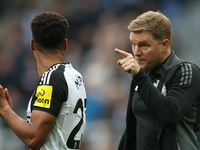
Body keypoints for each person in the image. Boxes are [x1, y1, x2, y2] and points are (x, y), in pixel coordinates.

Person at [0, 11, 87, 150]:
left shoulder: (51, 79)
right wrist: (11, 114)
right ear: (65, 44)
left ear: (32, 45)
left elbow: (34, 138)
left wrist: (4, 110)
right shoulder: (75, 76)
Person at [115, 10, 200, 150]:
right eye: (133, 44)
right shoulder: (141, 76)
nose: (136, 52)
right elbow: (132, 130)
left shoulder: (185, 71)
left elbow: (169, 115)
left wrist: (139, 78)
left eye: (144, 45)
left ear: (164, 45)